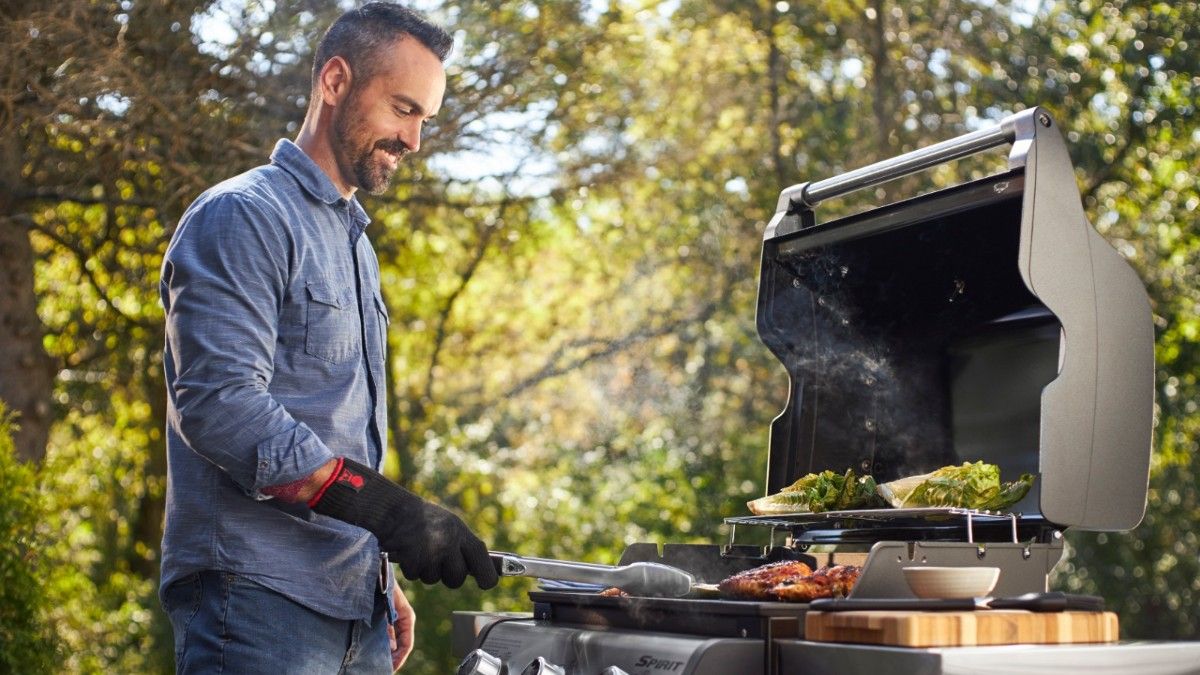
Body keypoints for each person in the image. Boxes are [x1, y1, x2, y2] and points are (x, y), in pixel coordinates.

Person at [158, 3, 498, 672]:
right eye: (404, 108)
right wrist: (390, 512)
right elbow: (222, 406)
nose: (414, 140)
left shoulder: (354, 246)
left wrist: (376, 571)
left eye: (424, 119)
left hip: (354, 611)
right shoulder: (242, 216)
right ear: (335, 81)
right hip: (255, 603)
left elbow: (332, 418)